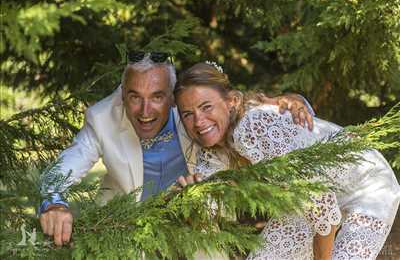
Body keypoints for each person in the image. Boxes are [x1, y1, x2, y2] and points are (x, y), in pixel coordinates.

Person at [38, 52, 314, 252]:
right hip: (127, 225)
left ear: (172, 97)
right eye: (134, 97)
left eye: (157, 97)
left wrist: (294, 102)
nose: (145, 112)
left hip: (197, 222)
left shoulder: (193, 113)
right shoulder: (101, 119)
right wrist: (54, 204)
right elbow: (60, 172)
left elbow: (235, 104)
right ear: (123, 94)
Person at [174, 62, 400, 260]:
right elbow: (210, 203)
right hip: (307, 203)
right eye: (188, 114)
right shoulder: (212, 150)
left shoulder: (253, 126)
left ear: (231, 101)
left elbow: (322, 204)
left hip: (368, 186)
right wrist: (191, 196)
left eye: (206, 107)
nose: (199, 121)